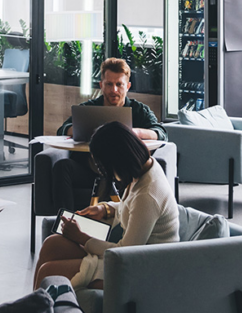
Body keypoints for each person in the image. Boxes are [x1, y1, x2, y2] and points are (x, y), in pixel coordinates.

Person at [34, 120, 179, 289]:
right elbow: (133, 209)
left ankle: (35, 312)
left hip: (142, 268)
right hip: (130, 256)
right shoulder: (144, 170)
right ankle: (32, 311)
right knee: (52, 245)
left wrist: (81, 237)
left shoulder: (148, 194)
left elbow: (125, 251)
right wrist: (105, 209)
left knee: (48, 271)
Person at [53, 57, 167, 205]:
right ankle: (65, 223)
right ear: (101, 85)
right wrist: (81, 129)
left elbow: (161, 133)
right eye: (109, 84)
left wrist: (134, 133)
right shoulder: (88, 108)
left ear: (128, 86)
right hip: (91, 169)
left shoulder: (139, 110)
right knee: (62, 167)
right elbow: (62, 129)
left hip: (125, 171)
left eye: (119, 84)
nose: (114, 90)